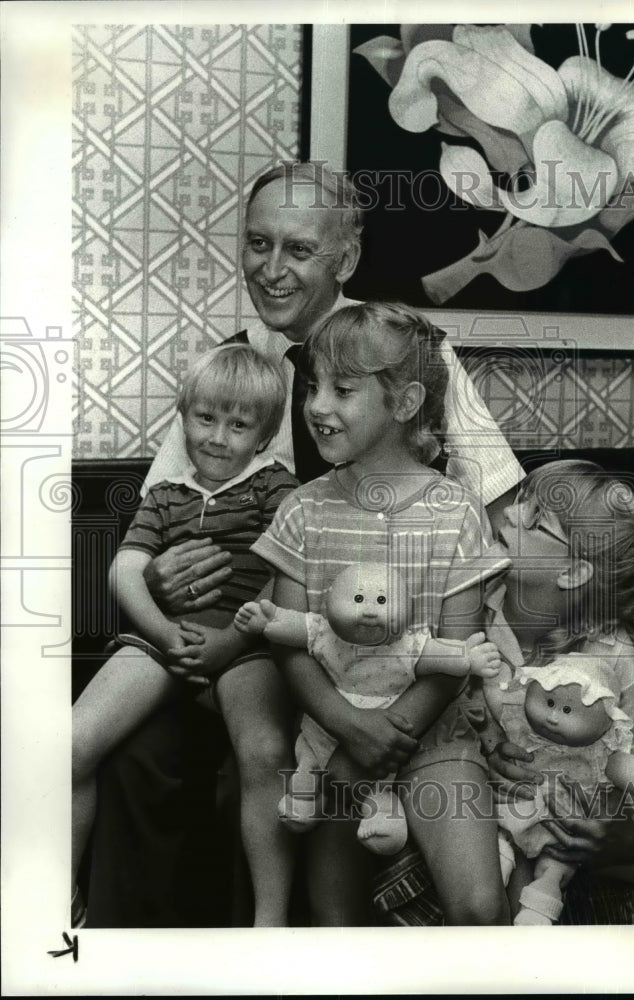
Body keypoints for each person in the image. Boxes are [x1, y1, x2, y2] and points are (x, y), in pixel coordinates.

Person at [83, 161, 523, 927]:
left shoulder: (407, 350)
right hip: (255, 643)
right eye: (258, 244)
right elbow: (167, 510)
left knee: (282, 760)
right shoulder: (239, 363)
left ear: (345, 260)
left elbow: (500, 508)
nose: (271, 269)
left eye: (297, 249)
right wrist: (160, 573)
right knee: (143, 754)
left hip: (381, 645)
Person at [252, 302, 513, 925]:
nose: (317, 406)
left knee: (478, 909)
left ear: (404, 403)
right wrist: (349, 726)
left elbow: (457, 651)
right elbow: (291, 642)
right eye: (313, 386)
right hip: (330, 737)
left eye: (343, 389)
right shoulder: (302, 510)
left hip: (435, 737)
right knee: (334, 921)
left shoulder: (456, 511)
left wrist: (388, 733)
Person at [72, 344, 299, 927]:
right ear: (183, 415)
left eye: (239, 424)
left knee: (266, 751)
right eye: (205, 418)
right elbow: (124, 569)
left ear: (266, 434)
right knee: (70, 744)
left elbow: (292, 573)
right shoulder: (166, 494)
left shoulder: (277, 488)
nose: (219, 437)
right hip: (167, 638)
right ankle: (58, 901)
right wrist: (164, 633)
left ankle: (268, 923)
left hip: (248, 645)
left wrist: (236, 638)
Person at [483, 459, 634, 924]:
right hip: (504, 814)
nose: (509, 514)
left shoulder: (612, 654)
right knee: (510, 895)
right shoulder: (472, 614)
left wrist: (633, 833)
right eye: (522, 500)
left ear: (573, 572)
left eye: (535, 517)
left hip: (578, 813)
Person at [234, 560, 501, 855]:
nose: (370, 610)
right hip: (326, 724)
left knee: (378, 782)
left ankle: (383, 812)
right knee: (309, 756)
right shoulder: (325, 633)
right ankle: (306, 793)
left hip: (382, 726)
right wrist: (267, 621)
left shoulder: (407, 644)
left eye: (382, 601)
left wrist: (468, 658)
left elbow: (440, 656)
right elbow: (294, 627)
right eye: (359, 599)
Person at [484, 655, 634, 924]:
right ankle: (500, 860)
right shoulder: (524, 731)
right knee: (497, 844)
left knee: (553, 869)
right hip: (510, 811)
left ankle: (538, 911)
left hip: (563, 831)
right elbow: (496, 699)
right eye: (550, 704)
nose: (552, 717)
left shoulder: (599, 753)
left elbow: (631, 766)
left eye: (566, 711)